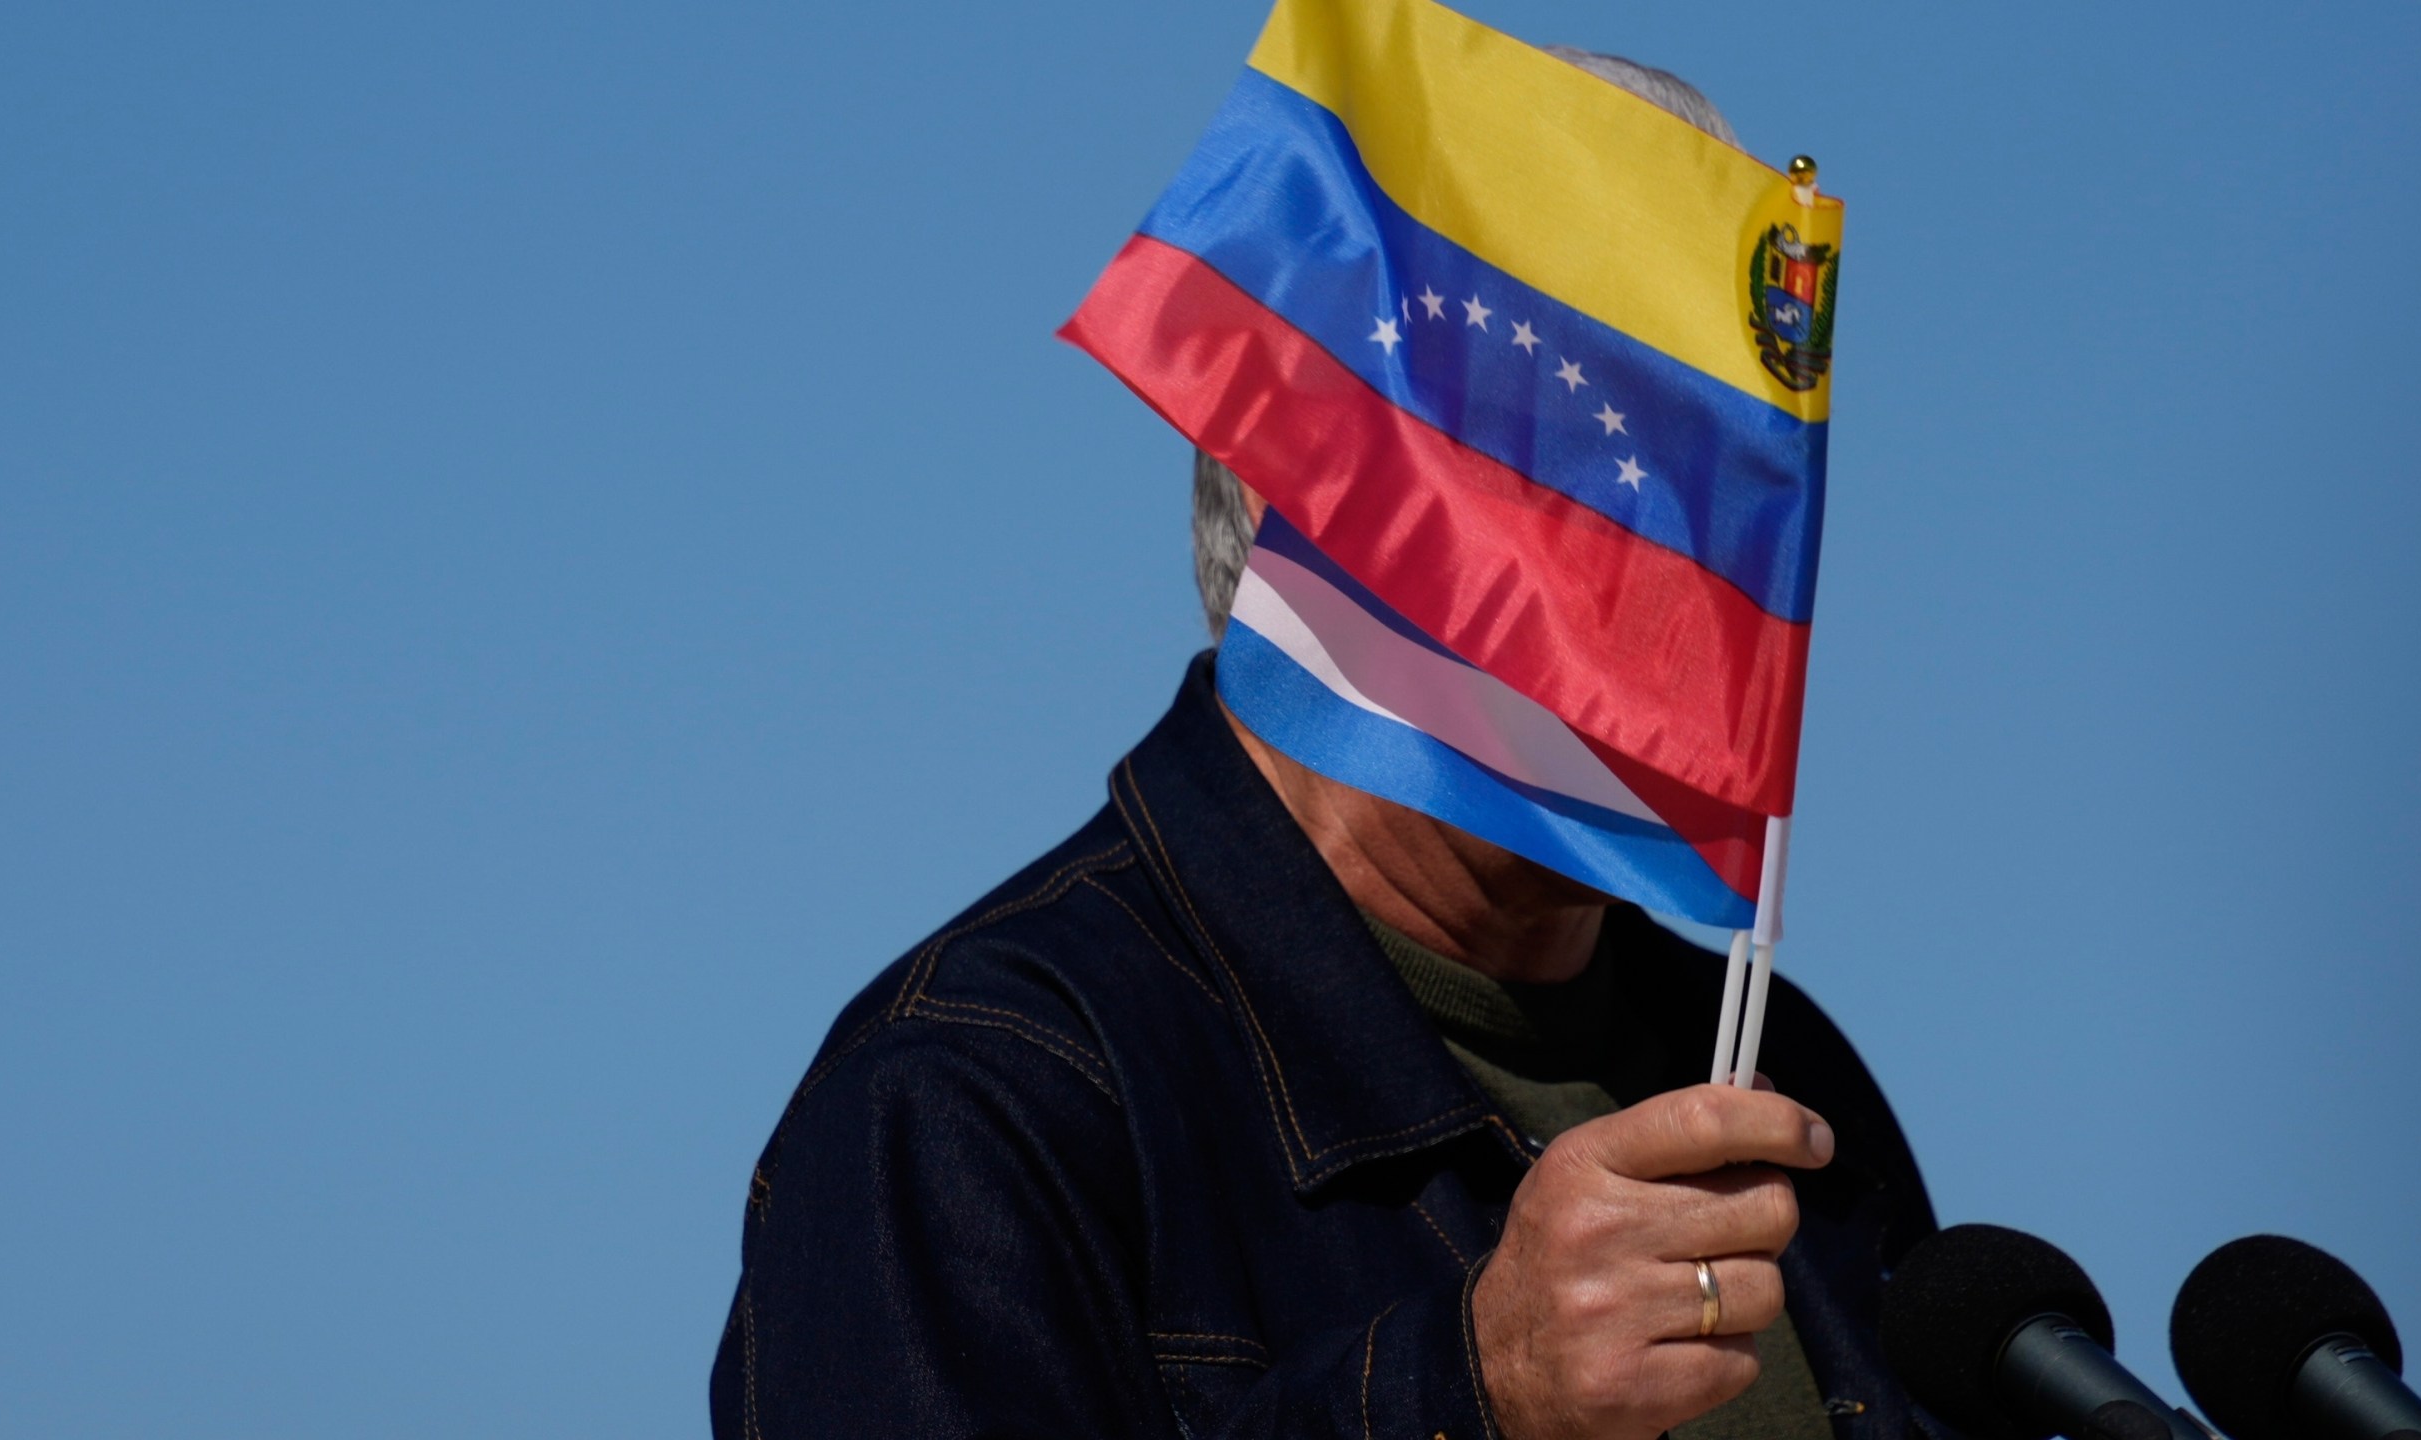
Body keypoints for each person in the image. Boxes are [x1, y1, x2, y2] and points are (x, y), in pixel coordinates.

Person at [713, 52, 1942, 1440]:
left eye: (1705, 443)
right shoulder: (978, 1101)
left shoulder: (1792, 1091)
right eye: (1566, 448)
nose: (1665, 536)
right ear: (1311, 494)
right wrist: (1468, 1389)